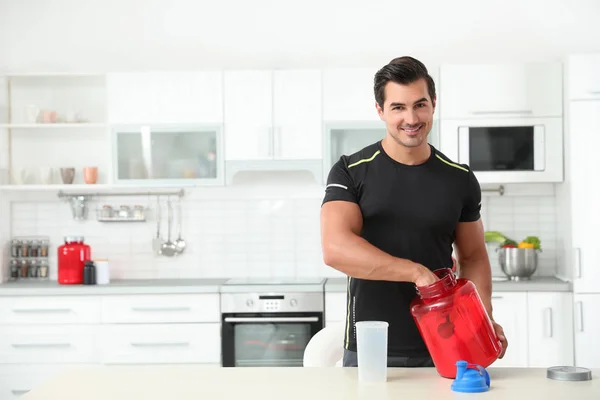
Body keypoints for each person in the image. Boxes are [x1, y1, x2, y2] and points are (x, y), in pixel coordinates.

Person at [320, 56, 508, 368]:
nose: (411, 117)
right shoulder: (350, 171)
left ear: (433, 104)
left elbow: (473, 257)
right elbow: (335, 248)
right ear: (380, 110)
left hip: (448, 343)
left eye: (420, 104)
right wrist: (416, 272)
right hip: (371, 346)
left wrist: (483, 317)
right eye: (398, 107)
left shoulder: (459, 178)